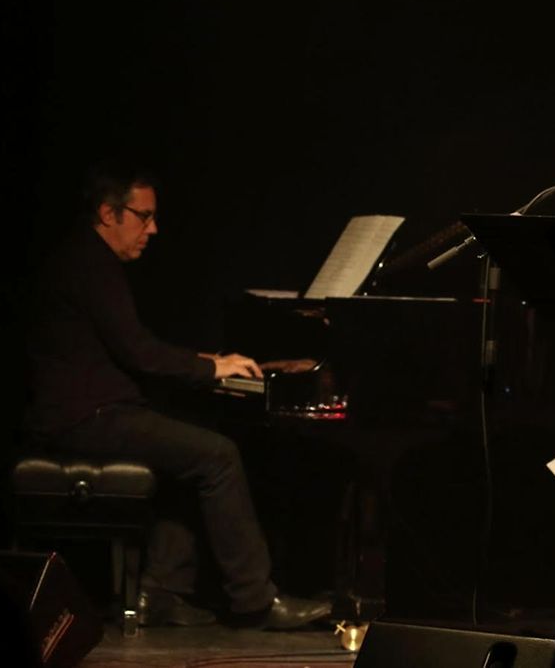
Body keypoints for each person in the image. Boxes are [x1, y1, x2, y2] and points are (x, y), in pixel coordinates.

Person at [25, 163, 332, 630]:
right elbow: (138, 352)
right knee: (219, 455)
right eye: (144, 216)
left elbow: (131, 345)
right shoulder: (89, 264)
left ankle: (161, 592)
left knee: (192, 445)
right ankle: (255, 600)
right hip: (83, 418)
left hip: (90, 411)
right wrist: (211, 368)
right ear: (108, 213)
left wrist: (208, 359)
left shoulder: (87, 259)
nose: (153, 229)